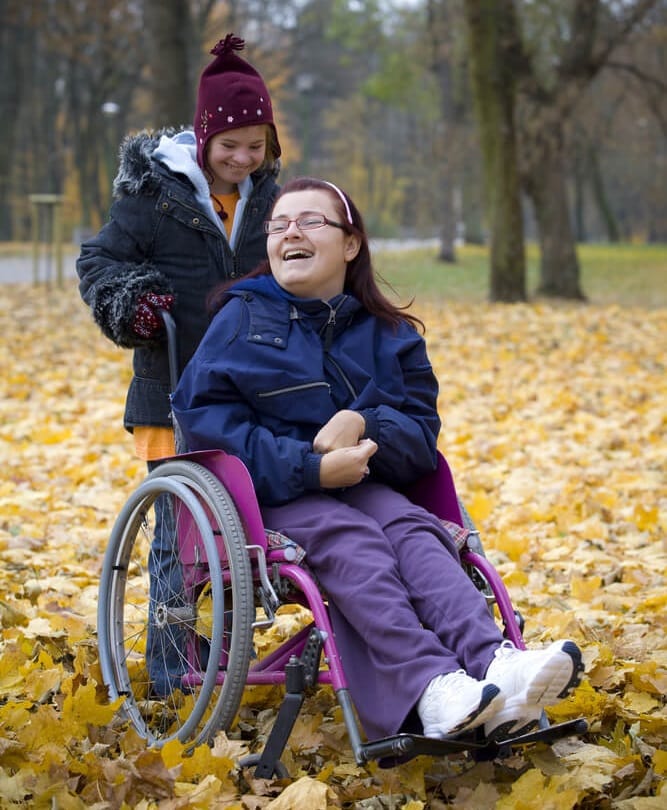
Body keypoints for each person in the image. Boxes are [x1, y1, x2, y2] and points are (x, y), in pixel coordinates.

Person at [170, 176, 584, 742]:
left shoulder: (390, 336)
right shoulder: (239, 320)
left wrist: (367, 424)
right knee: (353, 539)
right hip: (264, 497)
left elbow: (420, 436)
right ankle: (430, 686)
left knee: (416, 531)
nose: (290, 231)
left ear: (350, 244)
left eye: (310, 220)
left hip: (364, 486)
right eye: (278, 224)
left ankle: (494, 662)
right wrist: (309, 466)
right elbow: (208, 426)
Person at [76, 33, 281, 693]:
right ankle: (169, 672)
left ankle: (226, 646)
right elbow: (99, 261)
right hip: (172, 390)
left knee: (246, 534)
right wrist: (132, 303)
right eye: (229, 147)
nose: (242, 160)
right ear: (201, 139)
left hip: (252, 394)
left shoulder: (271, 202)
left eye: (256, 147)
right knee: (178, 538)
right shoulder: (154, 197)